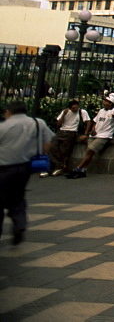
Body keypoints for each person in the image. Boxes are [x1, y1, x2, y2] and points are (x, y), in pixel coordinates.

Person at [0, 101, 54, 245]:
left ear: (9, 112)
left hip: (4, 167)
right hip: (26, 167)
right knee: (18, 196)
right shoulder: (38, 123)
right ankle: (19, 225)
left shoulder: (3, 126)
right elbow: (47, 143)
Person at [66, 93, 114, 179]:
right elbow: (95, 121)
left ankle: (77, 168)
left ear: (110, 103)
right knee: (89, 153)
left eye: (106, 101)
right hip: (95, 135)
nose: (104, 102)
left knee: (90, 151)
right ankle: (83, 170)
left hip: (104, 135)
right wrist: (93, 130)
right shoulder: (101, 111)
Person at [44, 99, 91, 177]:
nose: (75, 109)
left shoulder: (82, 112)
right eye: (73, 108)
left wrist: (85, 134)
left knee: (64, 150)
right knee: (52, 147)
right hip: (62, 131)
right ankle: (59, 166)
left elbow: (88, 122)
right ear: (70, 108)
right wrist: (63, 115)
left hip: (71, 132)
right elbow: (58, 124)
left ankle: (58, 167)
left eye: (76, 107)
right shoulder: (65, 112)